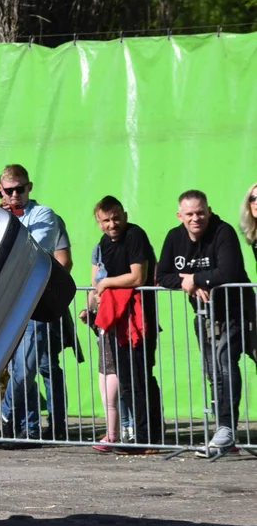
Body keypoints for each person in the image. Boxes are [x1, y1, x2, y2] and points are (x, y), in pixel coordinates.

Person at [158, 190, 254, 456]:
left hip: (239, 312)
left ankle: (225, 430)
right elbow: (162, 274)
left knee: (224, 364)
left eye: (200, 212)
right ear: (180, 215)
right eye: (189, 214)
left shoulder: (223, 232)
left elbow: (228, 271)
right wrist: (186, 281)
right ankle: (226, 433)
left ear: (209, 211)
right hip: (206, 316)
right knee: (215, 372)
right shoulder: (174, 237)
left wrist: (196, 279)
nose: (196, 218)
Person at [85, 196, 160, 453]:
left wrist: (105, 284)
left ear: (125, 216)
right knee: (127, 380)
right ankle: (143, 437)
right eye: (106, 220)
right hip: (118, 321)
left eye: (116, 218)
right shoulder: (104, 243)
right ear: (99, 222)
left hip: (139, 318)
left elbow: (137, 276)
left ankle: (147, 438)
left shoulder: (135, 235)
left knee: (139, 379)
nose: (112, 224)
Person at [0, 164, 64, 442]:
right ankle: (25, 428)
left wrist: (8, 219)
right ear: (0, 190)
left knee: (27, 370)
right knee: (14, 370)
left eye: (19, 189)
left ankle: (7, 411)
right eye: (8, 191)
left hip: (34, 302)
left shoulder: (43, 214)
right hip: (3, 303)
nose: (14, 195)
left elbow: (32, 249)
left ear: (29, 187)